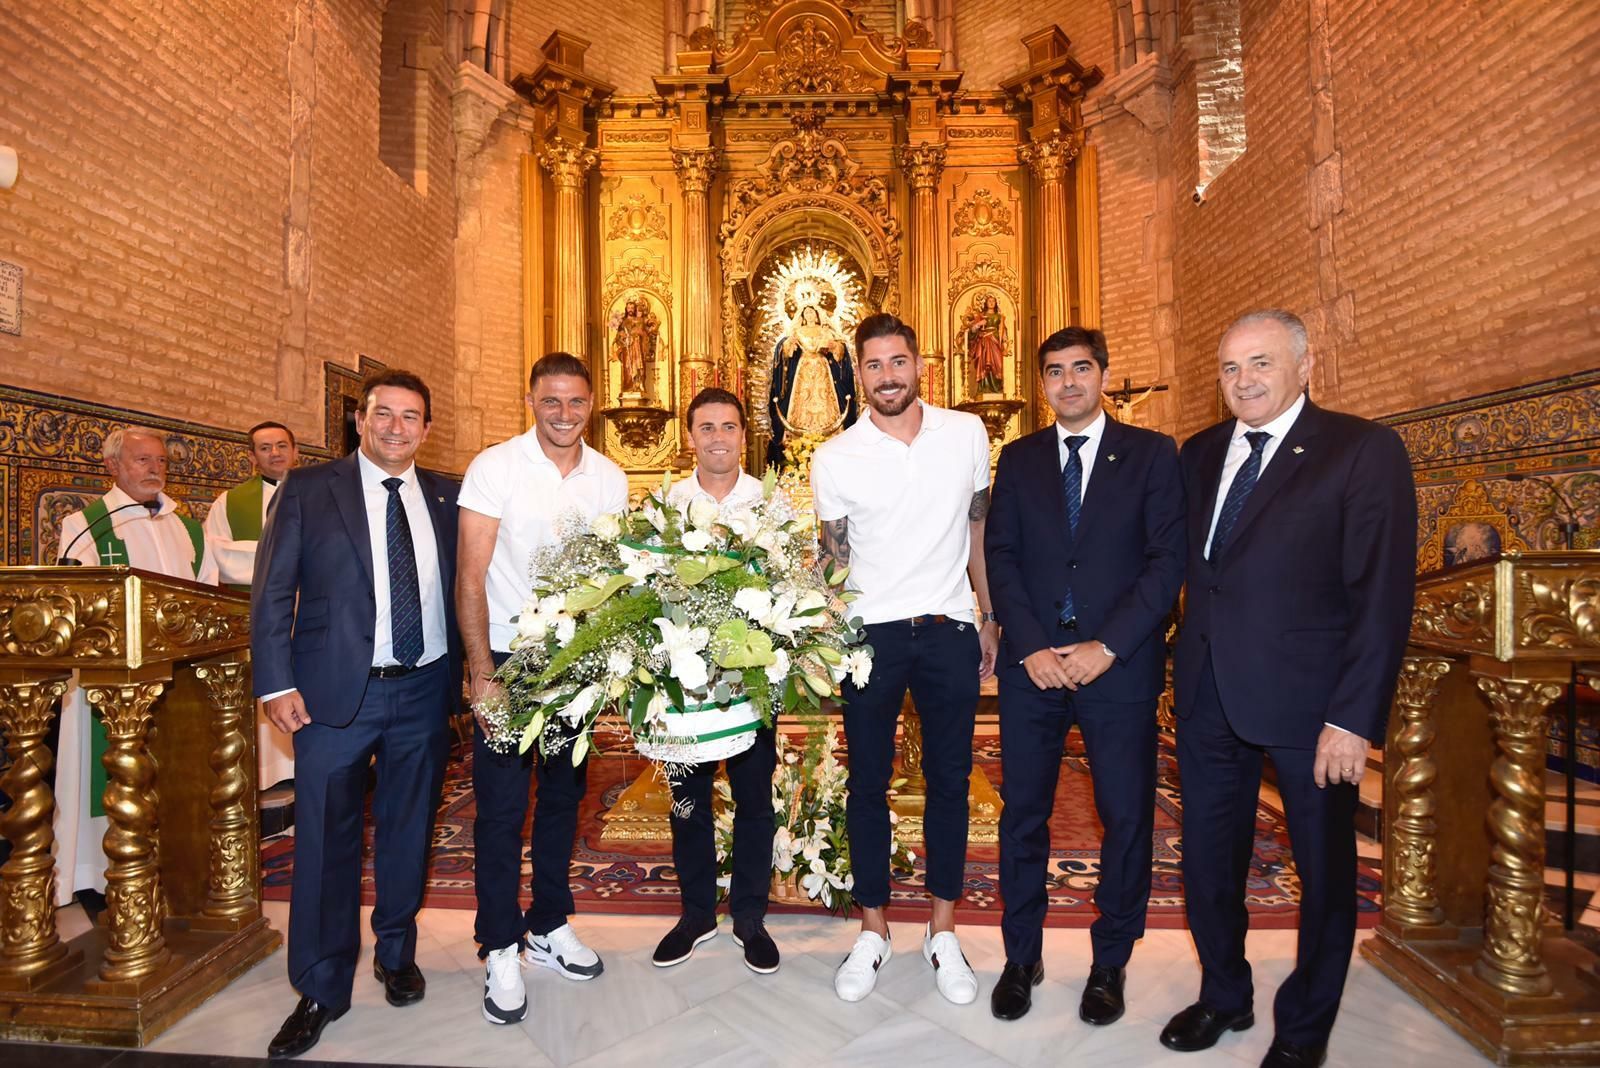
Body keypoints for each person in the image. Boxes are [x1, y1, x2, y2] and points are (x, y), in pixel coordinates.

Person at [1162, 310, 1415, 1068]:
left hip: (1312, 708)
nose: (1245, 381)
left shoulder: (1361, 449)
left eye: (1262, 364)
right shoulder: (1199, 453)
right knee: (1207, 860)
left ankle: (1304, 1032)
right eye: (1232, 369)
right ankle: (1223, 995)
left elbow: (1381, 595)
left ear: (1306, 365)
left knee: (1325, 874)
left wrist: (1352, 716)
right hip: (1208, 695)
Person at [252, 371, 460, 1059]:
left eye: (411, 417)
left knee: (408, 830)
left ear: (426, 428)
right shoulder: (309, 490)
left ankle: (395, 953)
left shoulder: (447, 495)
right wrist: (275, 684)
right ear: (360, 421)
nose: (397, 427)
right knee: (323, 839)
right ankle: (320, 985)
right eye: (384, 415)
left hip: (425, 688)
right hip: (335, 692)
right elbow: (272, 593)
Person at [985, 328, 1185, 1024]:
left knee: (1126, 817)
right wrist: (1031, 644)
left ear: (1103, 375)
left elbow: (1167, 563)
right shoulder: (1018, 459)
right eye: (1054, 372)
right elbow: (1000, 557)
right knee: (1024, 816)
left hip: (1117, 668)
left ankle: (1110, 963)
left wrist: (1113, 645)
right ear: (1041, 384)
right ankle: (1021, 955)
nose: (1068, 383)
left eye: (1080, 369)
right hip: (1032, 668)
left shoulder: (1154, 456)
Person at [811, 311, 998, 1006]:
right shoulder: (835, 457)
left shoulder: (966, 434)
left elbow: (977, 529)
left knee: (951, 780)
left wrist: (986, 614)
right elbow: (833, 560)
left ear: (918, 364)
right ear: (858, 373)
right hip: (870, 635)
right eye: (873, 365)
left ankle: (942, 929)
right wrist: (823, 634)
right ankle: (873, 928)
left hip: (949, 625)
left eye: (898, 362)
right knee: (868, 783)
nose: (888, 376)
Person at [458, 352, 628, 1025]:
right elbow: (471, 576)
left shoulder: (609, 478)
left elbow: (612, 579)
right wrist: (481, 671)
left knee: (563, 798)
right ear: (530, 399)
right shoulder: (495, 467)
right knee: (501, 806)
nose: (564, 415)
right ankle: (500, 942)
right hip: (507, 653)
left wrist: (607, 664)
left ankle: (550, 921)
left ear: (592, 404)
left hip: (575, 659)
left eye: (576, 403)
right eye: (551, 402)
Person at [54, 425, 219, 908]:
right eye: (142, 460)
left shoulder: (187, 527)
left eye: (161, 462)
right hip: (114, 680)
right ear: (113, 466)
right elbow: (75, 598)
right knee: (110, 769)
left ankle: (177, 863)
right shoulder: (86, 526)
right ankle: (103, 871)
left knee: (176, 770)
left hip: (179, 678)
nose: (155, 470)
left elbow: (206, 592)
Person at [652, 387, 781, 975]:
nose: (718, 439)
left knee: (755, 797)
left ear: (742, 435)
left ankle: (750, 916)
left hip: (750, 676)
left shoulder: (769, 502)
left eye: (729, 427)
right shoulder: (665, 504)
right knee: (687, 800)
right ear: (690, 436)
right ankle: (698, 911)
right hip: (686, 681)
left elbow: (789, 579)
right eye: (706, 428)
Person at [204, 420, 300, 787]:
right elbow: (220, 555)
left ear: (295, 451)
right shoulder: (230, 503)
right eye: (264, 448)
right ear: (252, 457)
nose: (274, 453)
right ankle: (270, 776)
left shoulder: (322, 494)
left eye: (281, 445)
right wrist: (289, 558)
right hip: (265, 613)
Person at [768, 303, 857, 468]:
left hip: (823, 370)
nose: (809, 315)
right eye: (806, 312)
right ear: (802, 316)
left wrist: (834, 346)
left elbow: (840, 351)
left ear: (817, 315)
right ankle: (799, 439)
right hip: (803, 370)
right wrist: (789, 345)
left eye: (812, 312)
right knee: (801, 401)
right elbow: (786, 351)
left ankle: (829, 433)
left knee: (826, 398)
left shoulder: (825, 330)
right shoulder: (797, 331)